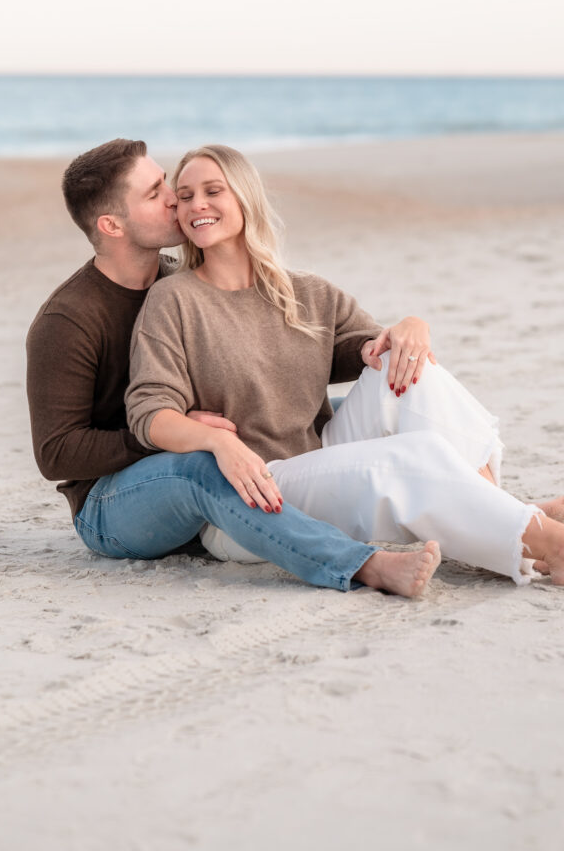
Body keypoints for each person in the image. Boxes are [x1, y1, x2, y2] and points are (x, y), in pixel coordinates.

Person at [125, 143, 564, 589]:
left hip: (317, 456)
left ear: (245, 198)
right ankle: (563, 548)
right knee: (412, 458)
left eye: (213, 190)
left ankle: (510, 516)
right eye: (185, 196)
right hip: (252, 497)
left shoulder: (304, 291)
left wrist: (412, 325)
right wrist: (219, 442)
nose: (196, 205)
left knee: (411, 372)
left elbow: (377, 349)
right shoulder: (174, 300)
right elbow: (149, 412)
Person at [26, 138, 442, 599]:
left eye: (166, 182)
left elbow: (276, 357)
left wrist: (381, 343)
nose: (174, 197)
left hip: (204, 468)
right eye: (154, 193)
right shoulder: (68, 320)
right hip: (114, 503)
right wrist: (170, 433)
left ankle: (499, 512)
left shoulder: (182, 281)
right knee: (201, 465)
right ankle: (363, 565)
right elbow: (55, 453)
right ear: (111, 224)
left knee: (356, 408)